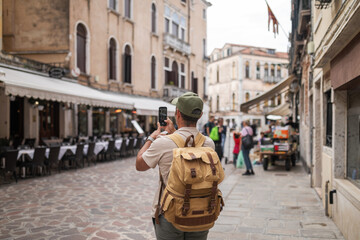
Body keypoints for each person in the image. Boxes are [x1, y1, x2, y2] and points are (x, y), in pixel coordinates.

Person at [135, 92, 215, 240]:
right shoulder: (209, 143)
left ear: (177, 113)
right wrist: (175, 133)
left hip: (170, 213)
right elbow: (189, 145)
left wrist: (151, 138)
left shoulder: (162, 143)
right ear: (200, 115)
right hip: (201, 211)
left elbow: (139, 164)